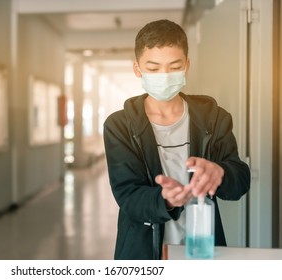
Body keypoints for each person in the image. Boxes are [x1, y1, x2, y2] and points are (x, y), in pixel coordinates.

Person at [103, 19, 251, 260]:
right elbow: (127, 195)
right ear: (137, 69)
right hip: (144, 251)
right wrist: (165, 200)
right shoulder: (120, 125)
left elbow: (240, 181)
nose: (165, 75)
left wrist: (221, 173)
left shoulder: (213, 118)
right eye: (153, 68)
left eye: (174, 66)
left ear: (187, 66)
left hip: (202, 247)